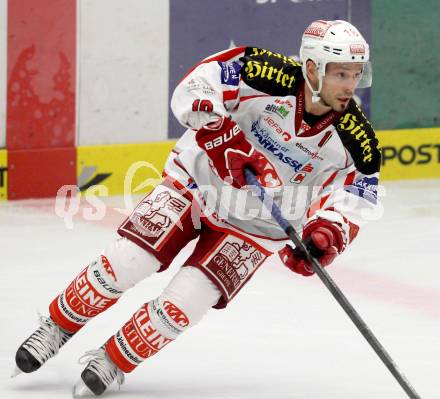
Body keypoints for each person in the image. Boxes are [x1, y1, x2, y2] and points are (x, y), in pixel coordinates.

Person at [12, 19, 381, 397]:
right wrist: (220, 134)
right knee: (130, 260)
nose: (350, 86)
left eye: (355, 74)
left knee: (185, 302)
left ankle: (113, 361)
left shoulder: (358, 140)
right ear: (311, 69)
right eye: (340, 74)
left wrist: (327, 233)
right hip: (196, 184)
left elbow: (358, 198)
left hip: (257, 226)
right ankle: (58, 326)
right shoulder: (262, 71)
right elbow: (199, 85)